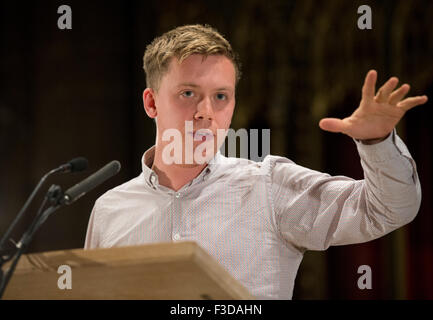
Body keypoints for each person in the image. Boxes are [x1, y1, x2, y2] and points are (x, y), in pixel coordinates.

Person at [84, 24, 428, 299]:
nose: (206, 112)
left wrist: (377, 141)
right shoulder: (110, 209)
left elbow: (387, 209)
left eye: (221, 96)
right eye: (188, 93)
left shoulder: (269, 186)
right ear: (151, 103)